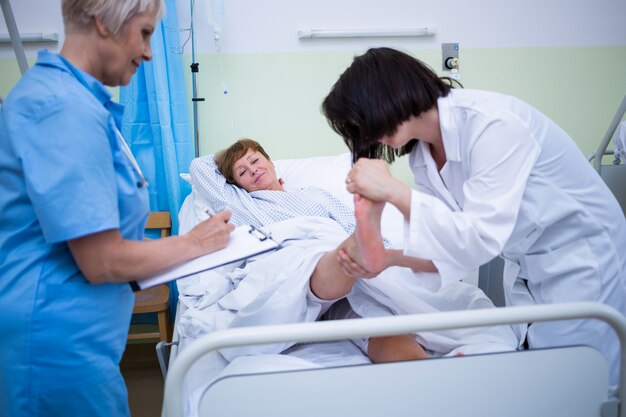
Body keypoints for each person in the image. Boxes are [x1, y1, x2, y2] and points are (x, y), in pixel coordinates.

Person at [321, 47, 626, 386]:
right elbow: (454, 247)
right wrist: (389, 259)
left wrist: (392, 192)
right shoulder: (422, 158)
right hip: (528, 265)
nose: (366, 134)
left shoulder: (492, 123)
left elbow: (477, 237)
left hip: (582, 256)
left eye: (361, 120)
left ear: (385, 94)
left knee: (586, 379)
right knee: (551, 374)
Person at [0, 1, 234, 416]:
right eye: (144, 33)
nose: (148, 52)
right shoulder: (63, 109)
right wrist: (197, 242)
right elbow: (102, 260)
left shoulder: (79, 103)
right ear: (102, 24)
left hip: (75, 334)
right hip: (55, 342)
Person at [195, 138, 434, 363]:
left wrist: (384, 255)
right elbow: (199, 167)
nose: (253, 170)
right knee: (325, 257)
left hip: (339, 265)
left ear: (270, 161)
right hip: (290, 261)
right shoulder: (240, 203)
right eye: (242, 172)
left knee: (379, 325)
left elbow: (347, 223)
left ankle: (426, 371)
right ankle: (353, 249)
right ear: (236, 185)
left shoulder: (314, 196)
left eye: (255, 160)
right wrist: (226, 161)